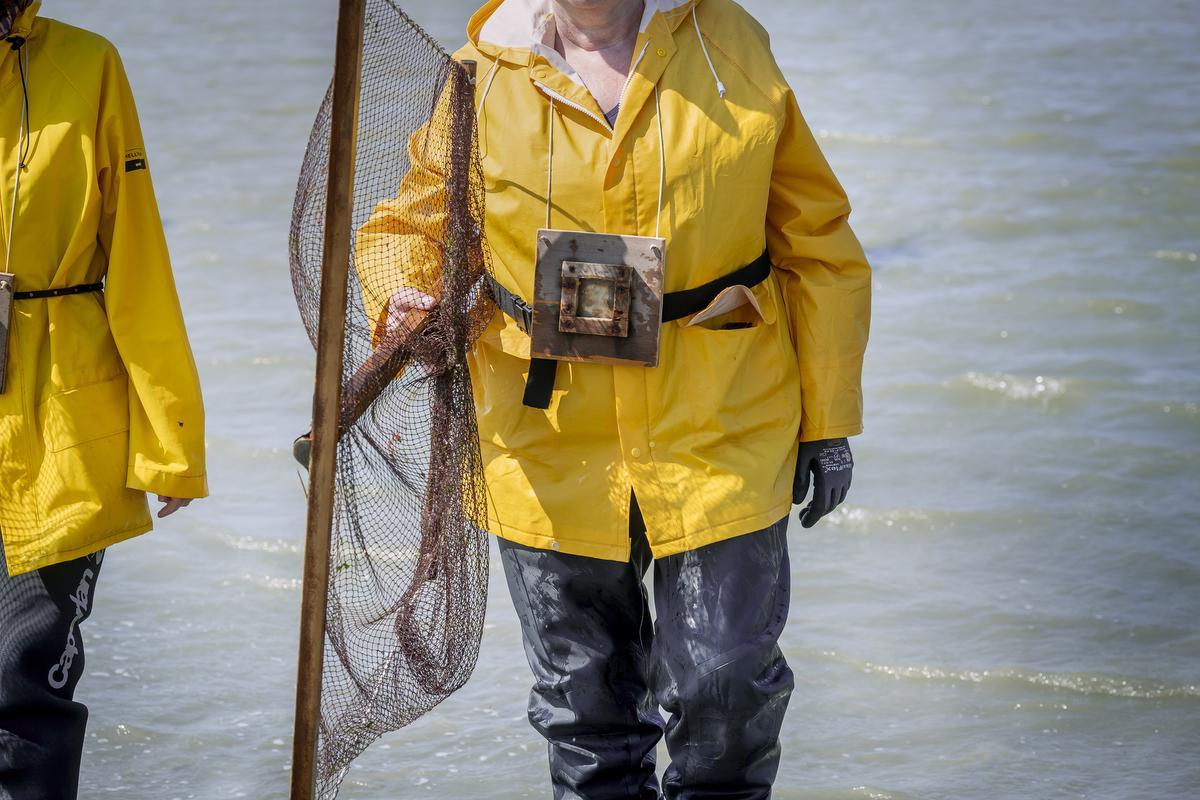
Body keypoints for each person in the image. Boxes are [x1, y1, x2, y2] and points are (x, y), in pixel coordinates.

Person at [365, 0, 871, 796]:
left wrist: (830, 422)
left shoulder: (728, 43)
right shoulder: (480, 71)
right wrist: (402, 296)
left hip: (720, 427)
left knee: (727, 691)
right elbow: (409, 228)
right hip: (544, 442)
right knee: (586, 718)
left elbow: (817, 238)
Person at [0, 2, 207, 797]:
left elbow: (137, 252)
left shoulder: (88, 65)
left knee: (27, 677)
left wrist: (171, 437)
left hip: (62, 424)